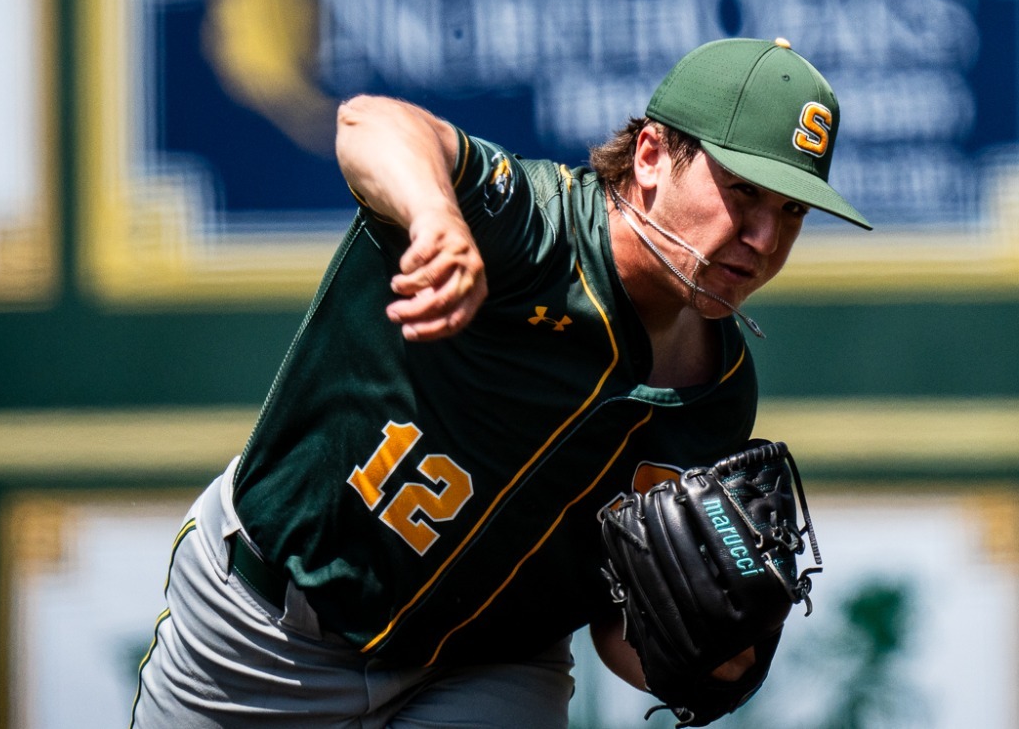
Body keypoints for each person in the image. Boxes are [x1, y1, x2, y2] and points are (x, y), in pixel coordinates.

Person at [132, 37, 871, 729]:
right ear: (651, 153)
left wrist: (710, 652)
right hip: (267, 626)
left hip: (489, 668)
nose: (766, 238)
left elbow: (621, 621)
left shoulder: (719, 388)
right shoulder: (532, 229)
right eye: (743, 191)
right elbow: (369, 122)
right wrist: (435, 218)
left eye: (791, 210)